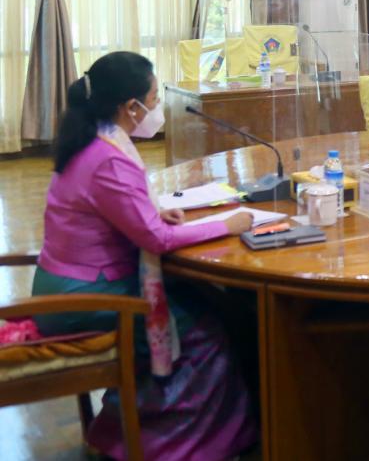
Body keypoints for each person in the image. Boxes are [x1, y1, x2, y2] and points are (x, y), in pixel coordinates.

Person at [31, 51, 258, 460]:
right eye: (154, 99)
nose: (157, 108)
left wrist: (151, 211)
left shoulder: (91, 139)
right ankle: (169, 446)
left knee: (207, 298)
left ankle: (140, 430)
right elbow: (157, 239)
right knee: (202, 331)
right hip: (81, 299)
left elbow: (119, 214)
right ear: (130, 107)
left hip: (67, 285)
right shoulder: (108, 159)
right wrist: (229, 224)